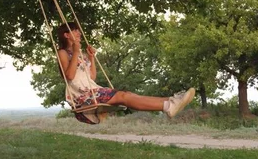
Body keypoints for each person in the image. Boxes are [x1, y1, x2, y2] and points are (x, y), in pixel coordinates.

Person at [56, 22, 195, 124]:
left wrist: (91, 58)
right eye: (75, 31)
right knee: (123, 96)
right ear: (66, 35)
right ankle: (169, 105)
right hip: (82, 97)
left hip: (92, 90)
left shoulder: (81, 54)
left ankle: (171, 102)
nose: (79, 33)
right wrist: (75, 52)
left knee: (127, 95)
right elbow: (69, 76)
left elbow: (91, 77)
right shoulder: (63, 53)